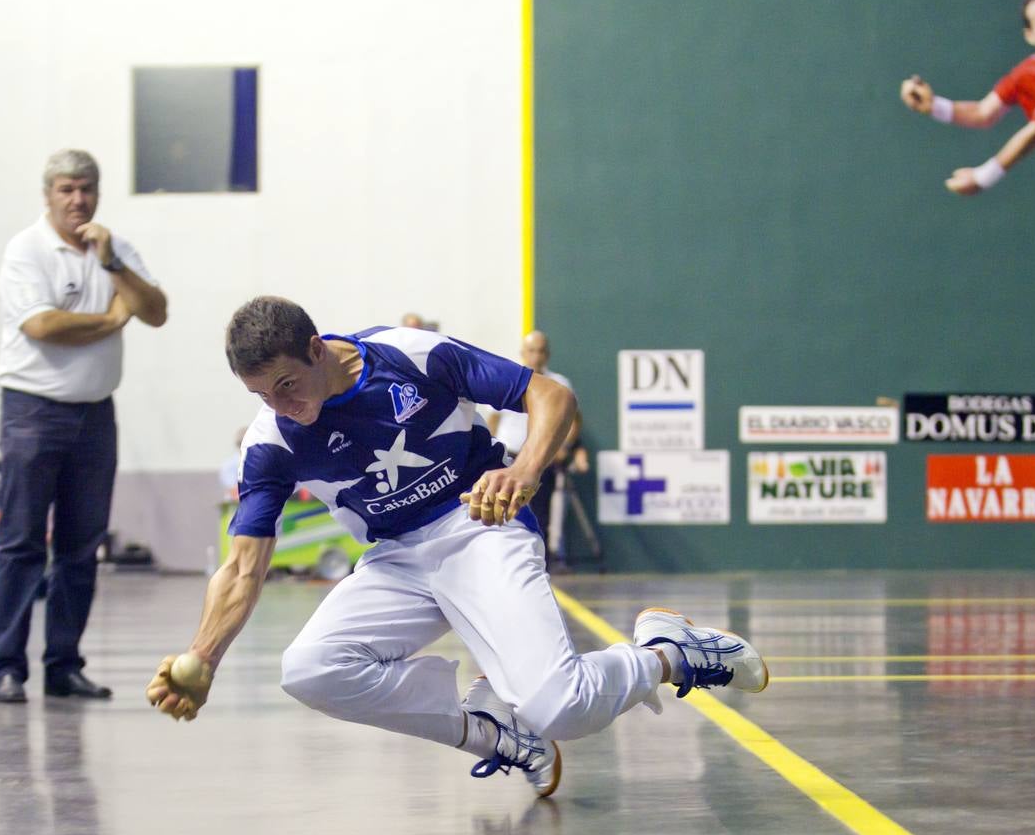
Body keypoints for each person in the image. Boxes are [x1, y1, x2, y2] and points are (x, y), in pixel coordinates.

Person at [145, 297, 768, 798]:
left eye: (287, 385)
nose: (285, 407)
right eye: (263, 396)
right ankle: (494, 735)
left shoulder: (408, 355)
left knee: (565, 709)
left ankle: (670, 653)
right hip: (395, 561)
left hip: (479, 528)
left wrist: (523, 472)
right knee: (309, 670)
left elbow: (548, 395)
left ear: (316, 349)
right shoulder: (273, 440)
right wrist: (204, 657)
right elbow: (243, 565)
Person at [0, 149, 168, 704]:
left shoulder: (112, 249)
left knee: (81, 546)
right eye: (66, 189)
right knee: (20, 543)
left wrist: (114, 265)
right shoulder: (27, 250)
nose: (78, 199)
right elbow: (44, 325)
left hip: (95, 413)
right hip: (33, 410)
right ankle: (6, 667)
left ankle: (63, 664)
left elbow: (156, 310)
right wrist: (113, 318)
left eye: (87, 188)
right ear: (48, 195)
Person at [899, 0, 1035, 223]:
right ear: (1029, 35)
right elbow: (983, 113)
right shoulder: (1026, 74)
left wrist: (983, 178)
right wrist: (933, 106)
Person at [487, 330, 589, 565]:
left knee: (539, 512)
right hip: (508, 455)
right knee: (501, 508)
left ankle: (538, 560)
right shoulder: (508, 379)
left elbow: (574, 419)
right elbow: (493, 421)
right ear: (523, 353)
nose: (537, 356)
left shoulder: (559, 384)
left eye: (541, 351)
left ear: (548, 354)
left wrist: (563, 446)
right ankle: (503, 560)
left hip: (541, 459)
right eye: (532, 351)